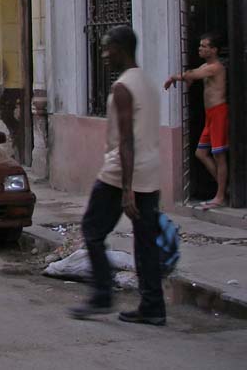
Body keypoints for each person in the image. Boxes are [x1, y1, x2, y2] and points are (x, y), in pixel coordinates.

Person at [70, 25, 166, 325]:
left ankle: (102, 294)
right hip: (149, 170)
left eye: (107, 48)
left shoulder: (123, 87)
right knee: (145, 241)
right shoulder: (147, 83)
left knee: (92, 230)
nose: (104, 54)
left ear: (121, 49)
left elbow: (126, 140)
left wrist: (127, 190)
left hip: (120, 172)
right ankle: (153, 305)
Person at [164, 33, 228, 209]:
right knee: (201, 153)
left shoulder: (215, 67)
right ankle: (224, 187)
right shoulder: (206, 66)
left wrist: (174, 77)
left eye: (204, 46)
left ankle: (220, 195)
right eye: (200, 45)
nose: (200, 48)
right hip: (209, 115)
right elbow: (193, 75)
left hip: (218, 113)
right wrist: (187, 78)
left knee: (219, 155)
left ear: (214, 50)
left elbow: (195, 74)